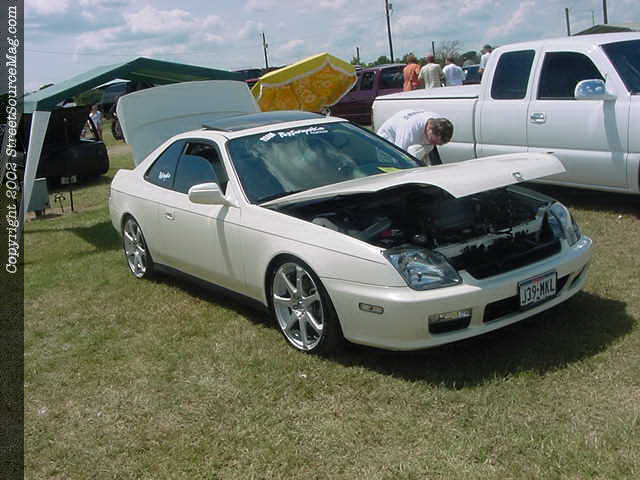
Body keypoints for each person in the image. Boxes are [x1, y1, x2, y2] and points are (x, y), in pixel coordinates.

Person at [376, 109, 453, 165]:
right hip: (387, 139)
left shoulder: (439, 122)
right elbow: (399, 157)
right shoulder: (409, 132)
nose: (434, 144)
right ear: (429, 128)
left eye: (438, 144)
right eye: (433, 141)